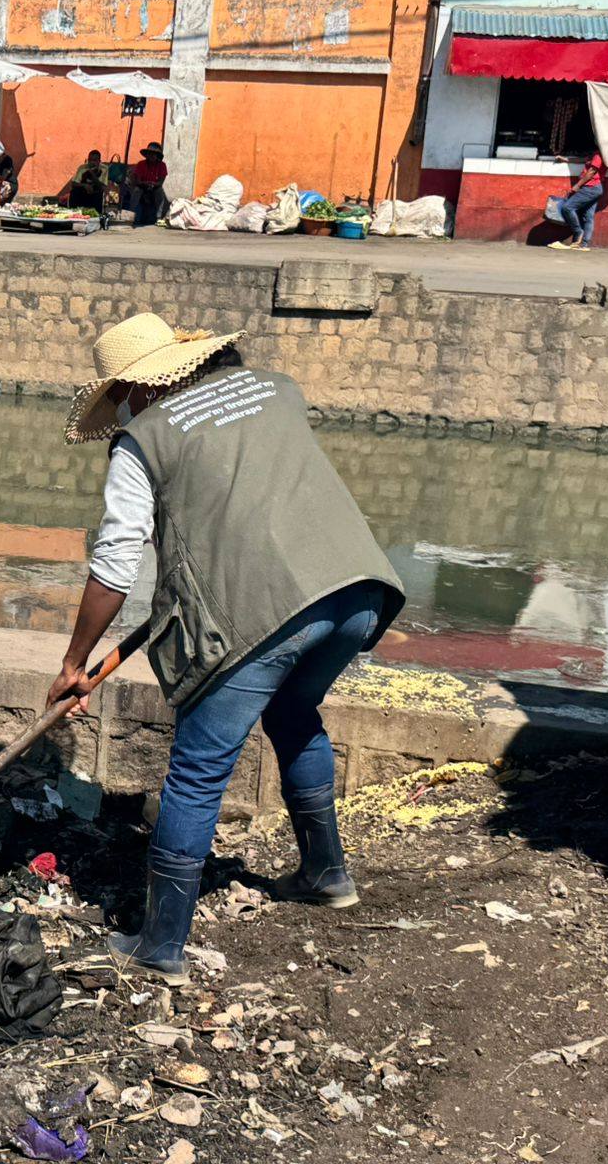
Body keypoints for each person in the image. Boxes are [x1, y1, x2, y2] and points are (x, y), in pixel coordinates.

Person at [48, 313, 405, 986]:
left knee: (197, 770)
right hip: (357, 593)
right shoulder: (275, 389)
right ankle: (327, 874)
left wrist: (74, 664)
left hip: (268, 615)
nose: (122, 406)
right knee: (295, 715)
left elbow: (116, 567)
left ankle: (159, 947)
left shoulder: (141, 441)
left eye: (122, 392)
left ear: (144, 387)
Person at [551, 150, 605, 251]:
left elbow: (591, 172)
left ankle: (578, 232)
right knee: (588, 216)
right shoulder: (596, 154)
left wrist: (578, 185)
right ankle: (583, 245)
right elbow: (582, 160)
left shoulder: (598, 154)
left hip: (590, 188)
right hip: (596, 188)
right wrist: (566, 159)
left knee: (567, 207)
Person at [127, 143, 168, 228]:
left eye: (154, 154)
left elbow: (160, 182)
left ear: (157, 156)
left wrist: (153, 184)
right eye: (150, 153)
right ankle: (130, 216)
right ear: (146, 155)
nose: (151, 156)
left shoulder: (162, 165)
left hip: (155, 187)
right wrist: (146, 183)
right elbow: (138, 181)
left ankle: (159, 218)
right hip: (142, 186)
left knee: (160, 191)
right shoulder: (141, 164)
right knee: (137, 191)